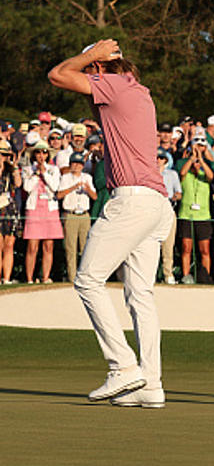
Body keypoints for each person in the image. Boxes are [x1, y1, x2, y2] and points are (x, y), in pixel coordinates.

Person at [48, 39, 175, 408]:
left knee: (87, 279)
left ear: (100, 69)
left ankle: (123, 367)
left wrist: (92, 57)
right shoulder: (136, 88)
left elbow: (58, 75)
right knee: (140, 297)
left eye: (91, 72)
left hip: (132, 202)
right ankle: (150, 384)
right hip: (155, 205)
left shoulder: (114, 84)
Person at [21, 140, 63, 283]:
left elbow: (55, 186)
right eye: (38, 152)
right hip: (34, 209)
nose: (41, 155)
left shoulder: (53, 169)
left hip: (50, 208)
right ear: (34, 154)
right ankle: (29, 278)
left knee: (48, 245)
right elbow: (27, 187)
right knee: (32, 246)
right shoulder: (28, 169)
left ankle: (45, 277)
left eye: (44, 152)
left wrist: (44, 173)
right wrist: (36, 173)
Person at [176, 138, 214, 284]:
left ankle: (205, 276)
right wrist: (192, 158)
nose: (196, 164)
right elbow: (182, 172)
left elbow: (212, 176)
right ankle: (186, 276)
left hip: (203, 217)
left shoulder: (205, 176)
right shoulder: (187, 176)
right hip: (186, 215)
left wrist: (202, 160)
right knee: (186, 248)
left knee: (205, 250)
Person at [57, 152, 97, 282]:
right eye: (74, 163)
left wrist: (87, 189)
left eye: (79, 164)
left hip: (84, 214)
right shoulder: (65, 177)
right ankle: (72, 277)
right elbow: (59, 195)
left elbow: (94, 197)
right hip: (71, 214)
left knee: (86, 248)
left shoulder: (87, 177)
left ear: (83, 165)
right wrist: (73, 187)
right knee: (70, 248)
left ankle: (85, 277)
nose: (76, 166)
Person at [157, 148, 181, 285]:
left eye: (161, 158)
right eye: (157, 158)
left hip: (168, 210)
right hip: (152, 211)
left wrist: (175, 197)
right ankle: (151, 274)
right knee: (151, 245)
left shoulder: (172, 174)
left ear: (165, 160)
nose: (158, 160)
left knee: (168, 245)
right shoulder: (149, 173)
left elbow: (179, 192)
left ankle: (168, 274)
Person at [0, 139, 22, 284]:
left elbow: (18, 183)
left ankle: (6, 278)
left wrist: (13, 167)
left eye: (5, 154)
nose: (3, 157)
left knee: (9, 245)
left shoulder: (9, 169)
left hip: (9, 208)